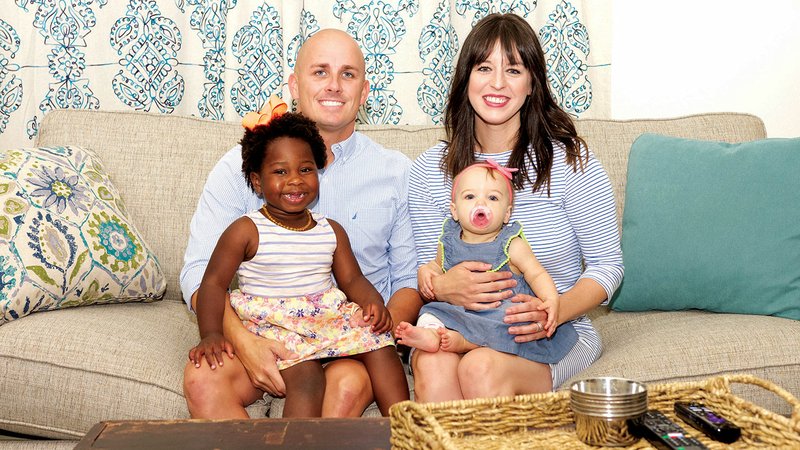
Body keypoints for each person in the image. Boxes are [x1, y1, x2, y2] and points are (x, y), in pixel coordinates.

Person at [181, 29, 422, 418]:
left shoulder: (396, 172)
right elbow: (198, 273)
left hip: (346, 340)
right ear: (295, 85)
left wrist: (375, 333)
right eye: (319, 72)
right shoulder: (241, 165)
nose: (334, 85)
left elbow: (410, 279)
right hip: (264, 330)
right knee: (201, 378)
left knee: (346, 385)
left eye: (348, 74)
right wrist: (243, 341)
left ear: (364, 92)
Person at [407, 13, 623, 403]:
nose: (498, 83)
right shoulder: (428, 170)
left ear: (531, 84)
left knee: (480, 367)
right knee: (432, 358)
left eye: (513, 69)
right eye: (484, 67)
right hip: (462, 323)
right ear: (465, 80)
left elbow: (608, 267)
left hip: (555, 332)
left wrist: (551, 310)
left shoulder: (570, 162)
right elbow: (427, 264)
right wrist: (440, 286)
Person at [396, 159, 578, 362]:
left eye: (492, 197)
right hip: (458, 312)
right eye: (470, 196)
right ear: (454, 210)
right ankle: (431, 333)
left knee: (507, 324)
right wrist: (427, 272)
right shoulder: (447, 240)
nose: (480, 204)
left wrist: (551, 300)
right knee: (430, 313)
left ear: (507, 213)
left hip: (498, 310)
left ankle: (466, 343)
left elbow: (537, 274)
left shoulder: (512, 244)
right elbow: (436, 266)